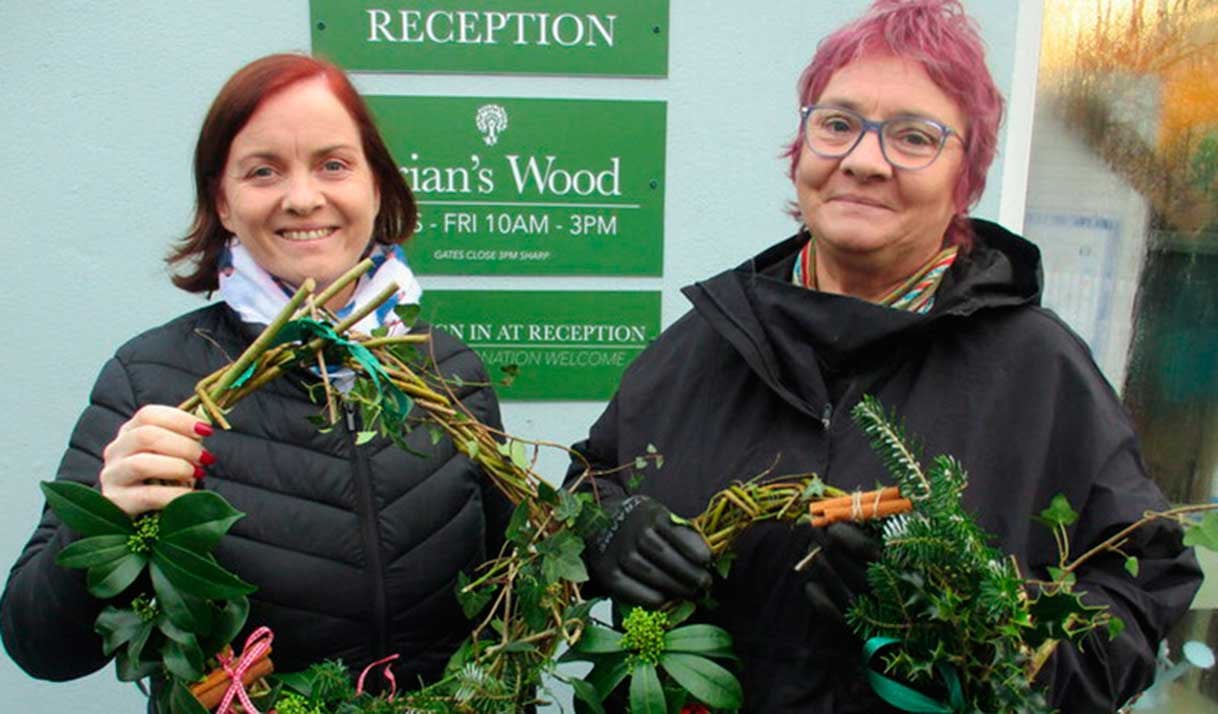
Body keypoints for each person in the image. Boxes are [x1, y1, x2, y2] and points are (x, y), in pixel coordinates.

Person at [570, 1, 1202, 712]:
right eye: (837, 124)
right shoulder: (707, 342)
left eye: (913, 137)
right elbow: (588, 485)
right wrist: (604, 531)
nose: (864, 161)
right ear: (801, 148)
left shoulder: (1039, 371)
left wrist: (960, 630)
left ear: (967, 176)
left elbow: (1140, 593)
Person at [0, 53, 511, 705]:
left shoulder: (448, 372)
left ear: (376, 186)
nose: (303, 197)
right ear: (223, 199)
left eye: (333, 163)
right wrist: (102, 518)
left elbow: (509, 595)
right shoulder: (150, 381)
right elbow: (39, 646)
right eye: (264, 170)